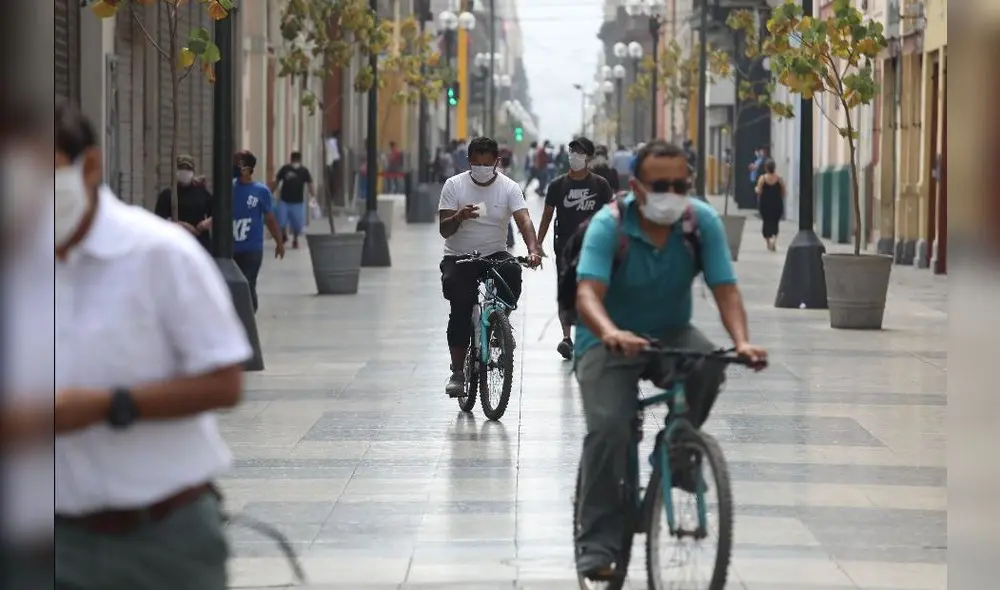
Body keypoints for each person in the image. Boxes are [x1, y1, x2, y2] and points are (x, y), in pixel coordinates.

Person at [52, 99, 252, 590]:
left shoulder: (159, 254)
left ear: (90, 165)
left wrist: (109, 405)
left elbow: (225, 383)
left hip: (162, 537)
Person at [572, 140, 767, 580]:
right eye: (662, 185)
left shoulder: (701, 223)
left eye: (682, 184)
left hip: (671, 334)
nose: (673, 192)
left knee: (709, 362)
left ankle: (678, 450)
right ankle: (598, 541)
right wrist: (611, 333)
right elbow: (587, 294)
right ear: (638, 188)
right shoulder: (610, 226)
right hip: (608, 337)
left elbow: (726, 288)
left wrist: (743, 342)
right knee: (609, 430)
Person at [437, 136, 543, 397]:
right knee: (461, 310)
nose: (482, 168)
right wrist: (458, 216)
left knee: (512, 272)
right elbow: (444, 229)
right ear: (469, 162)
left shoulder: (508, 188)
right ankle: (458, 373)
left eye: (487, 163)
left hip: (494, 253)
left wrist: (532, 249)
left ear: (497, 162)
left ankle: (500, 323)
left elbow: (524, 220)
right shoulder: (454, 186)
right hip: (459, 255)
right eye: (477, 163)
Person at [535, 136, 613, 360]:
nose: (574, 156)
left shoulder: (600, 185)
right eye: (572, 151)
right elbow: (547, 216)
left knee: (591, 288)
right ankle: (567, 338)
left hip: (593, 246)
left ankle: (588, 336)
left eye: (579, 152)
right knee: (566, 289)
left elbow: (610, 215)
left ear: (588, 156)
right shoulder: (558, 185)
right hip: (565, 246)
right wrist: (538, 243)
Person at [232, 149, 285, 311]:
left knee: (248, 283)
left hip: (252, 248)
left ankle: (249, 316)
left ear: (248, 168)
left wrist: (279, 242)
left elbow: (269, 219)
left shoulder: (261, 192)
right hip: (231, 247)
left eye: (238, 163)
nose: (234, 166)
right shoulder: (228, 189)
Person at [155, 154, 214, 252]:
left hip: (200, 247)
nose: (185, 172)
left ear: (193, 171)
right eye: (182, 168)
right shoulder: (168, 195)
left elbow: (216, 213)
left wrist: (206, 223)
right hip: (175, 246)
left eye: (188, 169)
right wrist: (182, 226)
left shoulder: (202, 192)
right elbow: (159, 221)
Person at [273, 151, 314, 249]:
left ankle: (295, 239)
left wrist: (313, 196)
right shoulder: (285, 169)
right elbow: (277, 181)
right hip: (284, 200)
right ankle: (284, 235)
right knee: (281, 220)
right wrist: (270, 191)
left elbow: (310, 184)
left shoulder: (304, 171)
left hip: (297, 202)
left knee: (297, 223)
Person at [755, 158, 785, 251]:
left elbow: (759, 191)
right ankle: (774, 241)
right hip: (776, 204)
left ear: (766, 168)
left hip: (765, 205)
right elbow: (783, 191)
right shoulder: (779, 179)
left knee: (766, 222)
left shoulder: (762, 178)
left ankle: (768, 242)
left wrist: (756, 190)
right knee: (775, 223)